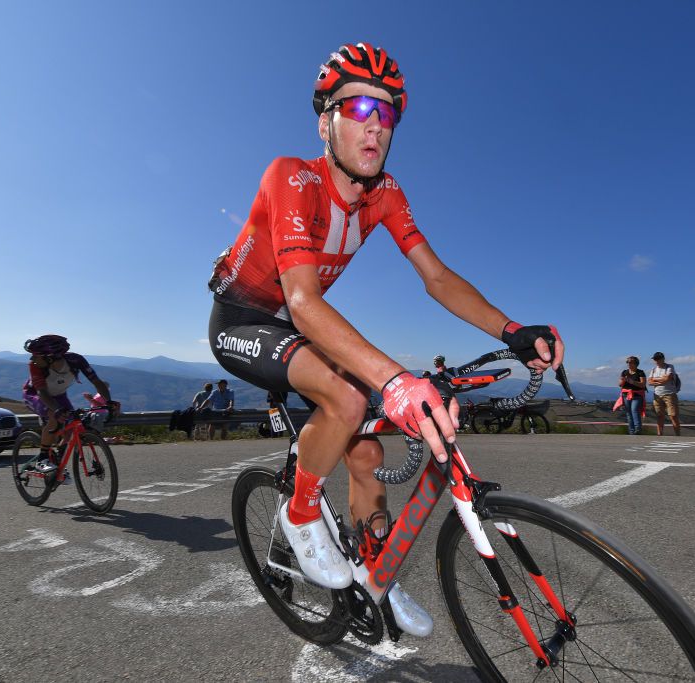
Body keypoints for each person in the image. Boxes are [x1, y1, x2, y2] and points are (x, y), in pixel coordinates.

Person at [205, 43, 563, 638]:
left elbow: (438, 278)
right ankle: (299, 512)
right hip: (244, 318)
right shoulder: (290, 176)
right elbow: (301, 300)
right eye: (359, 107)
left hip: (299, 319)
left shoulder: (386, 193)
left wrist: (512, 329)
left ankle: (375, 573)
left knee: (367, 446)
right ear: (327, 122)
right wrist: (394, 380)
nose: (374, 124)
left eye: (387, 112)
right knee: (349, 400)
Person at [22, 335, 114, 475]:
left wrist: (109, 402)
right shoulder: (35, 366)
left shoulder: (75, 360)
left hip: (59, 396)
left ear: (50, 357)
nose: (32, 359)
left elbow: (97, 382)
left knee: (71, 428)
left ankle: (58, 462)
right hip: (35, 395)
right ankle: (43, 459)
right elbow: (42, 392)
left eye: (36, 356)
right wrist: (57, 410)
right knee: (54, 417)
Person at [647, 352, 680, 436]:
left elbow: (667, 379)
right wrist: (661, 380)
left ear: (663, 359)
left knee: (673, 416)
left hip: (670, 394)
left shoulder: (669, 367)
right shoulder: (653, 369)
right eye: (655, 359)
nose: (656, 361)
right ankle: (659, 434)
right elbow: (649, 382)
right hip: (657, 394)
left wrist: (655, 380)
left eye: (658, 359)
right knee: (659, 416)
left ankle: (678, 435)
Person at [617, 357, 646, 435]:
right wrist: (623, 381)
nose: (628, 364)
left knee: (634, 410)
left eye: (630, 362)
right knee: (629, 412)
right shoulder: (624, 372)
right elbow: (620, 384)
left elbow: (643, 385)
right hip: (626, 395)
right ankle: (631, 431)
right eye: (627, 362)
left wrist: (632, 382)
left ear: (636, 363)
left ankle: (638, 429)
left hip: (637, 395)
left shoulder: (640, 372)